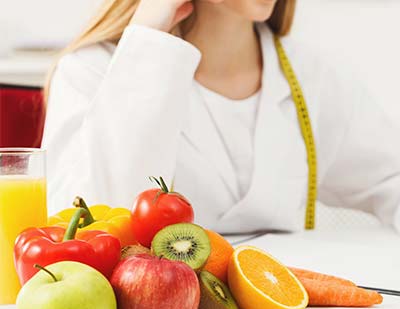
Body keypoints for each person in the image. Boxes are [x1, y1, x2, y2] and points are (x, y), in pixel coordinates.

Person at [42, 0, 400, 234]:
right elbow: (92, 230)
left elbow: (391, 178)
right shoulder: (90, 73)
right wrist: (148, 38)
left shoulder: (314, 76)